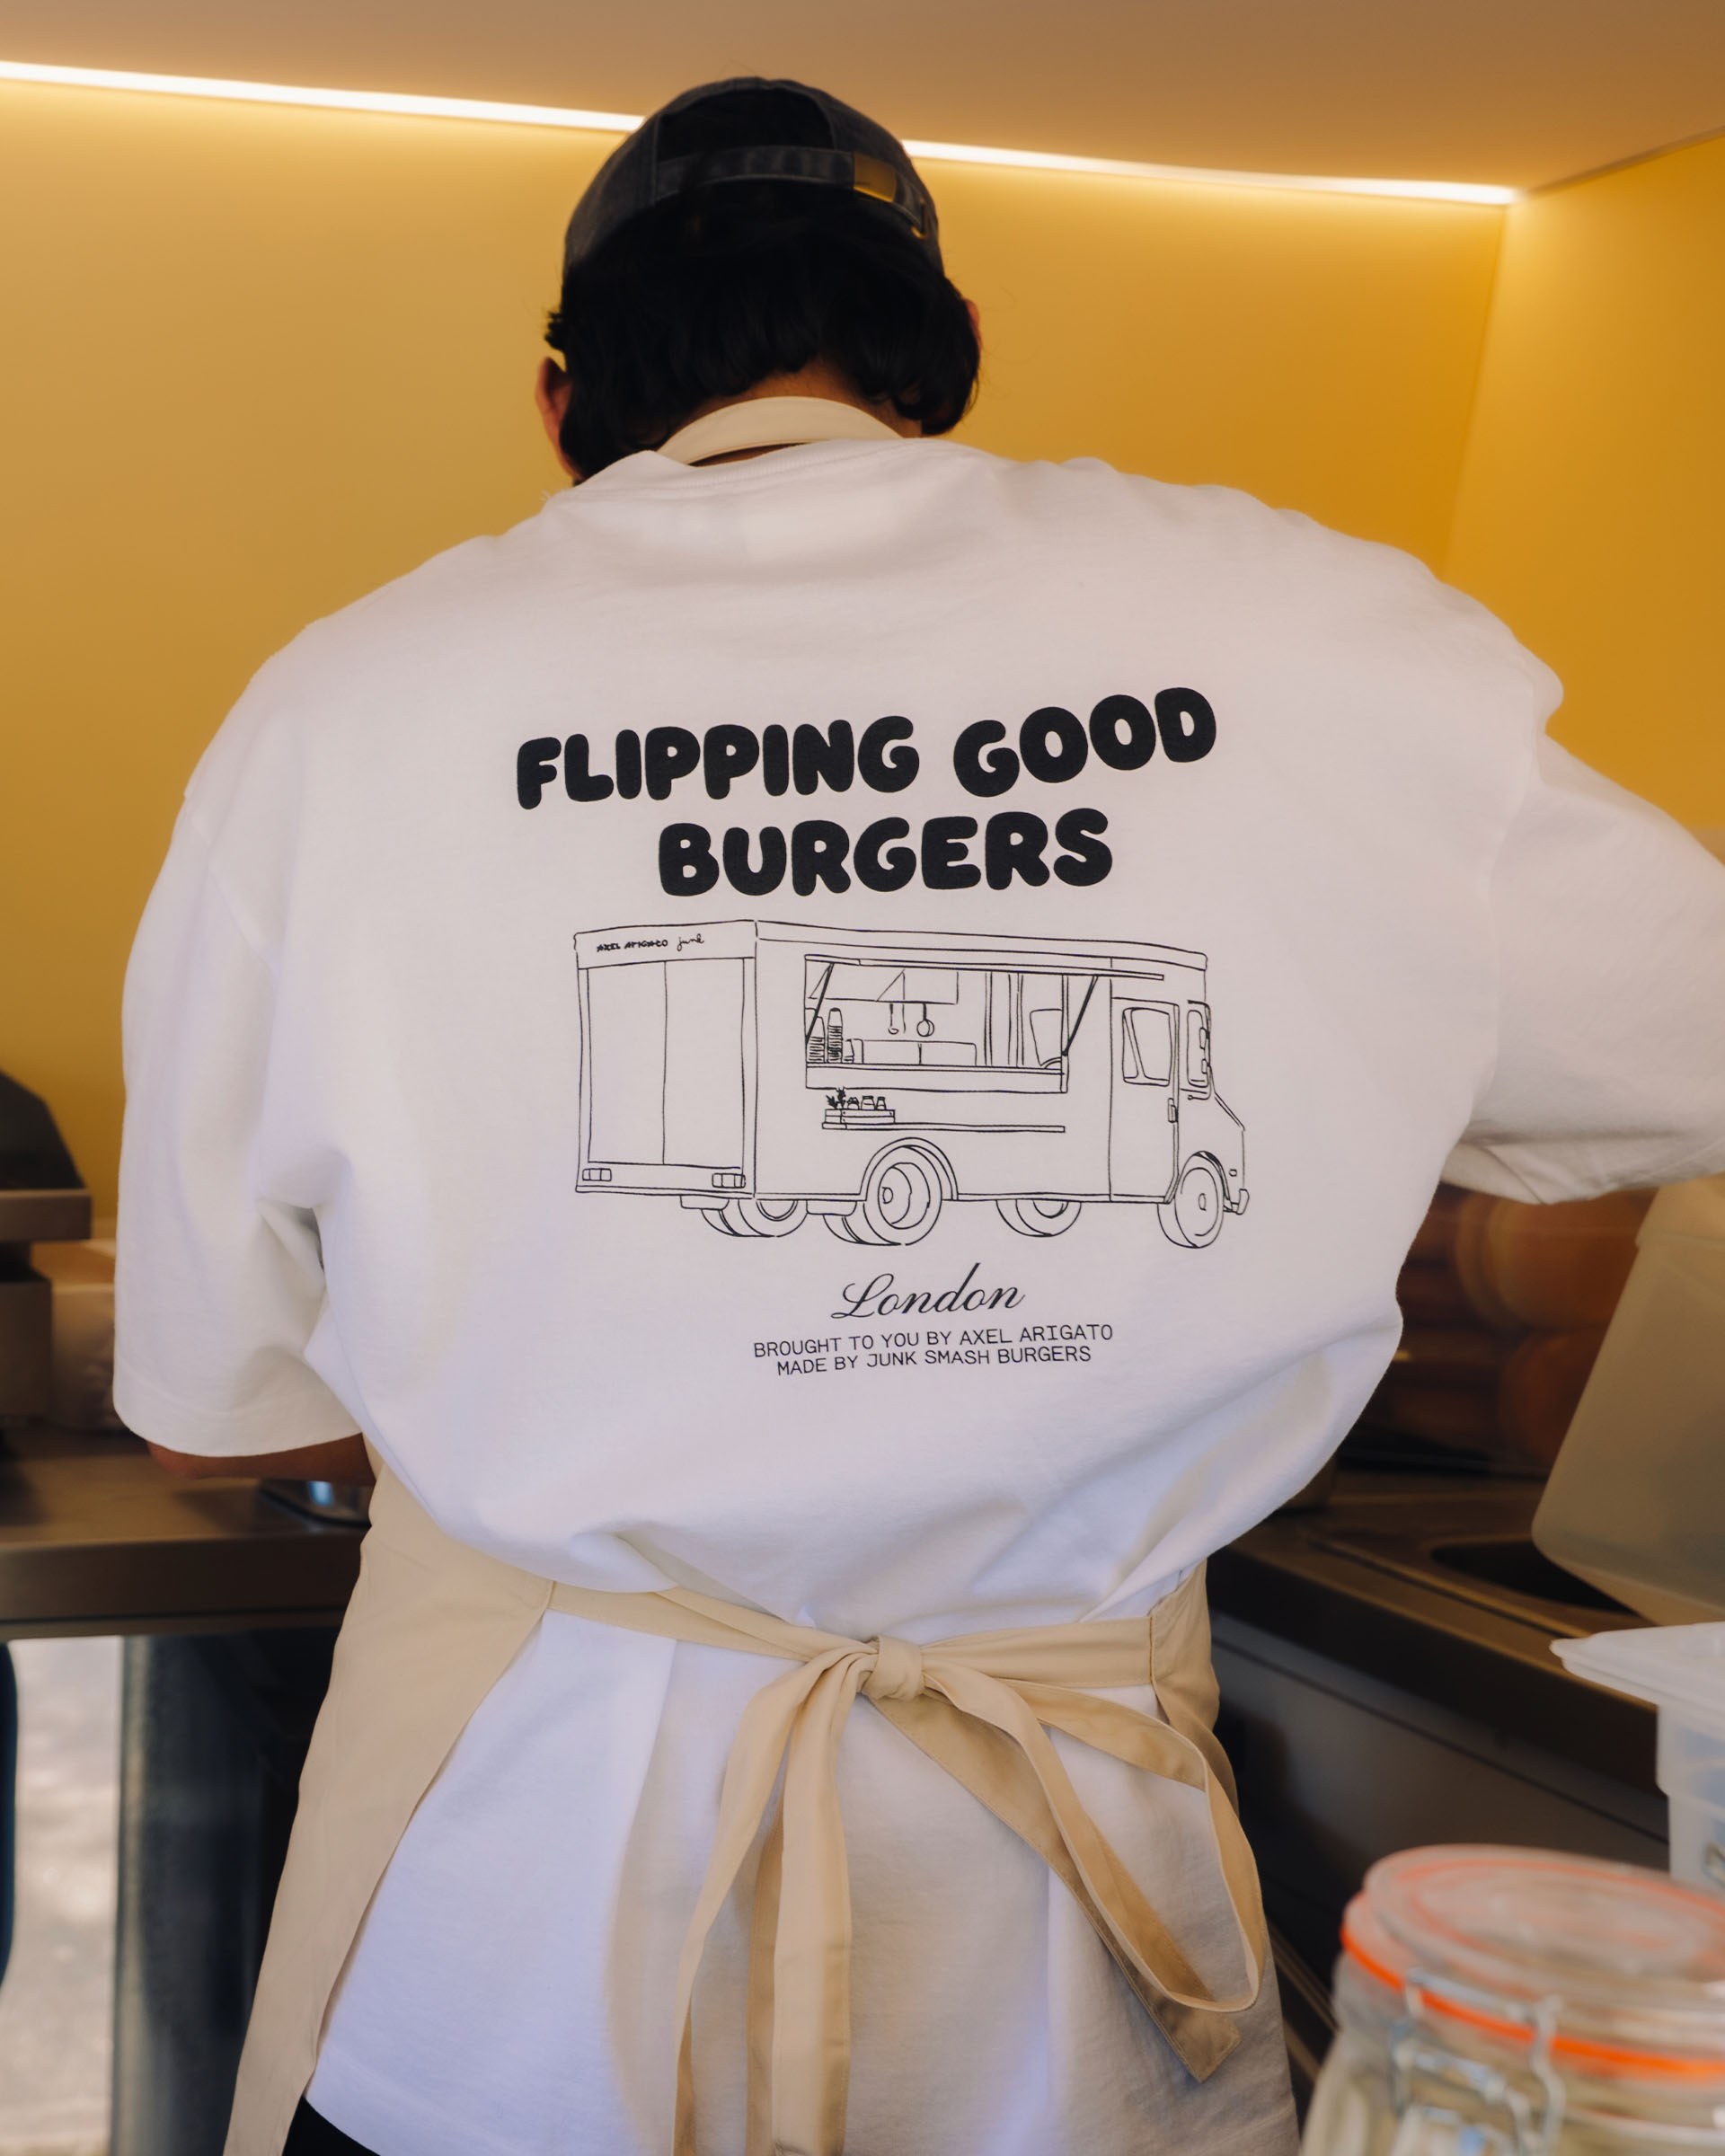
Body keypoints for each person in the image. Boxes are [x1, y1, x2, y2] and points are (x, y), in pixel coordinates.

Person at [115, 75, 1725, 2156]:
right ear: (924, 361)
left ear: (560, 395)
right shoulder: (1321, 638)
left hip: (518, 1939)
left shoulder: (347, 711)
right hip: (1065, 1943)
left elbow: (208, 1403)